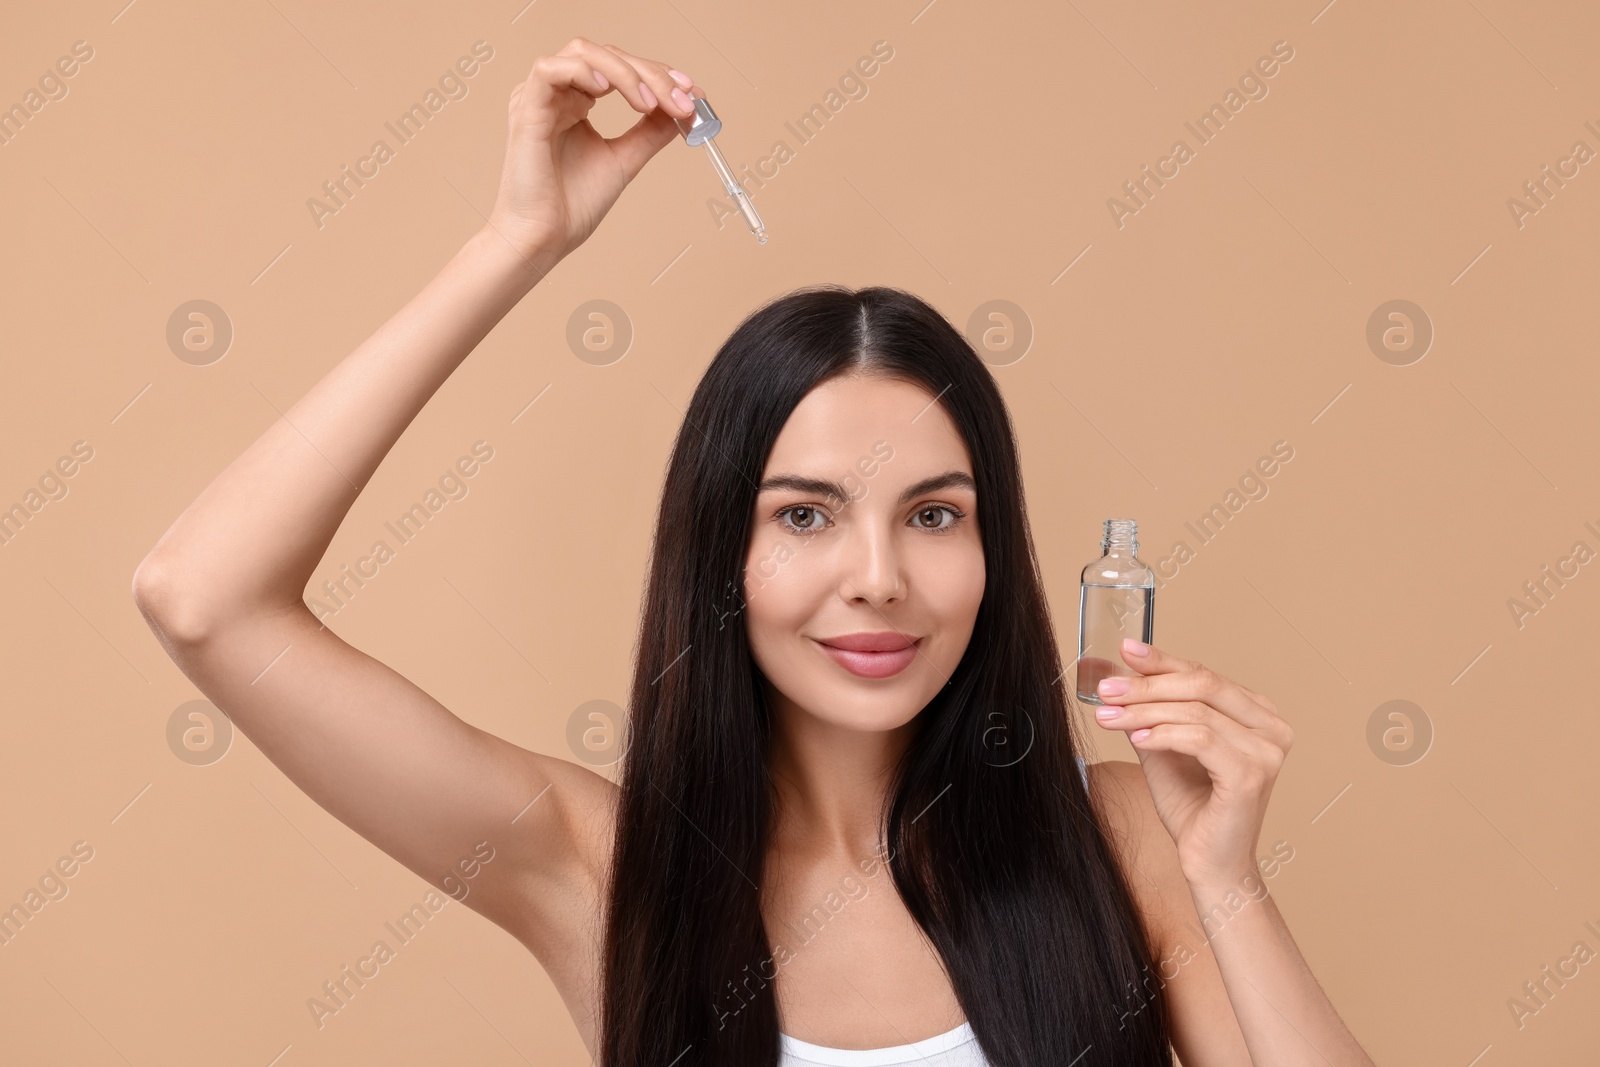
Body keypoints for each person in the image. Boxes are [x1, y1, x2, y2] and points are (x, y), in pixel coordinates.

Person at [131, 38, 1375, 1067]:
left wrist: (1228, 882)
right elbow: (203, 598)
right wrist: (517, 242)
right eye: (804, 514)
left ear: (998, 555)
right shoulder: (604, 873)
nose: (877, 573)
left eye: (935, 514)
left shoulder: (1122, 837)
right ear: (719, 555)